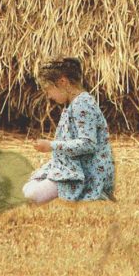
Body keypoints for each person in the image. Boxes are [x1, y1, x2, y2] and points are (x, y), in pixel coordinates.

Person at [22, 58, 115, 204]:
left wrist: (51, 146)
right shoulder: (73, 104)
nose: (48, 96)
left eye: (48, 90)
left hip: (84, 173)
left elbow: (88, 144)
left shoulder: (82, 105)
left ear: (63, 82)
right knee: (27, 188)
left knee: (31, 195)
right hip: (72, 166)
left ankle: (96, 194)